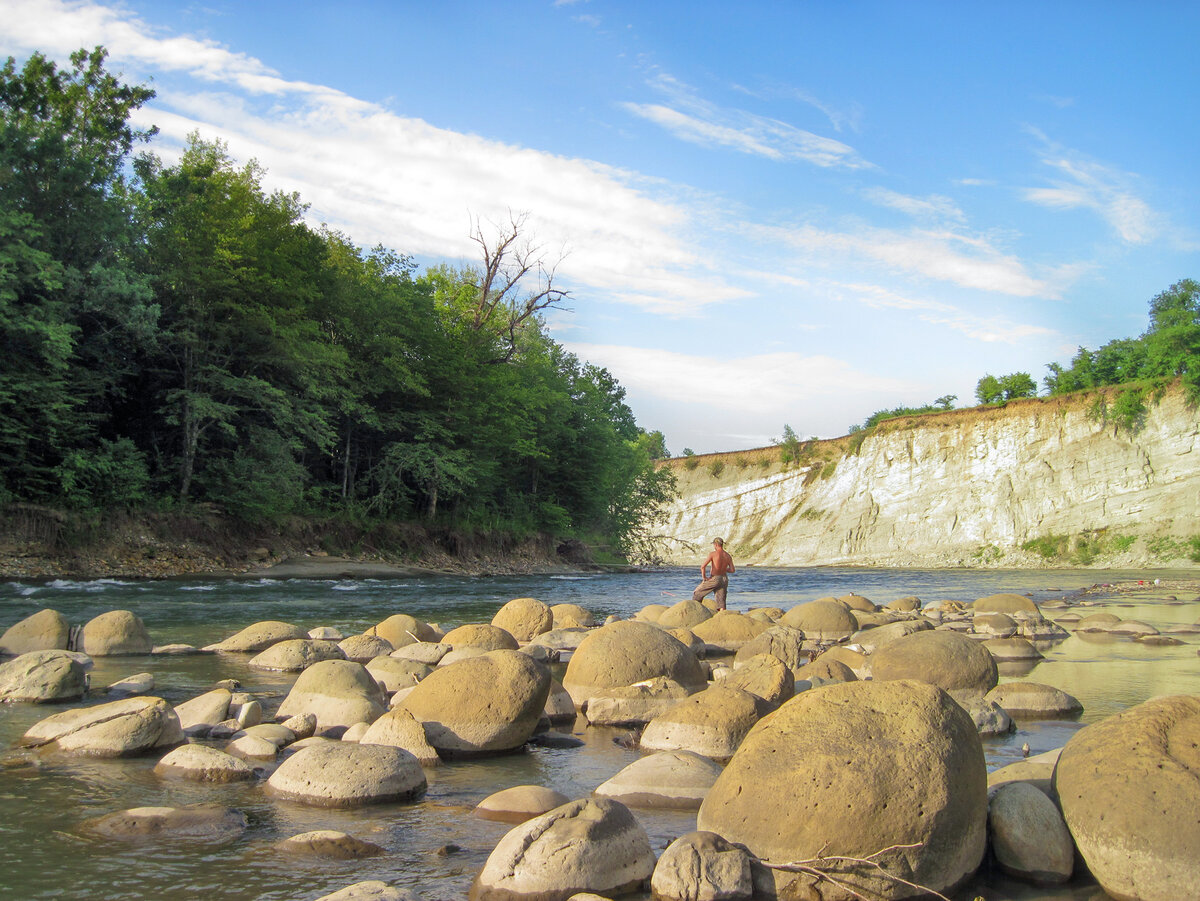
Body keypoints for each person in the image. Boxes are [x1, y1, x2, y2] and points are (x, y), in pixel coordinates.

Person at [693, 537, 735, 610]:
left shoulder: (713, 554)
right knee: (721, 601)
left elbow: (703, 567)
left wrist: (704, 577)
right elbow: (732, 570)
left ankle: (696, 610)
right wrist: (724, 569)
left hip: (715, 578)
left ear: (715, 544)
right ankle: (722, 616)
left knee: (697, 593)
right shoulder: (727, 555)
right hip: (724, 579)